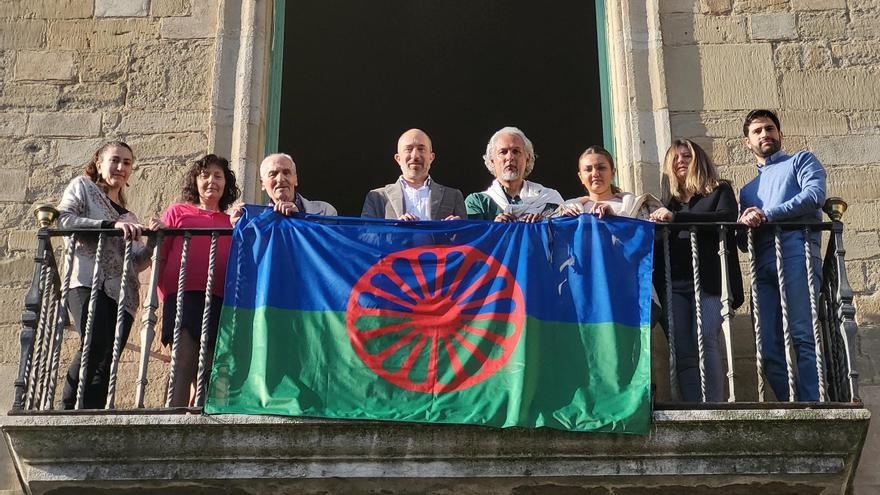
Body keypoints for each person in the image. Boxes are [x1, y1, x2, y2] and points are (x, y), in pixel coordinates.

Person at [737, 109, 827, 402]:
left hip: (795, 250)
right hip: (761, 264)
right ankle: (799, 403)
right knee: (766, 350)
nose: (765, 134)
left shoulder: (801, 161)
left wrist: (767, 214)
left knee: (803, 334)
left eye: (770, 128)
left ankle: (814, 405)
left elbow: (814, 195)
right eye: (757, 131)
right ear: (747, 142)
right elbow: (741, 241)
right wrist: (743, 222)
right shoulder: (748, 189)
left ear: (780, 134)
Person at [57, 141, 154, 409]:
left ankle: (92, 412)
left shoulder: (131, 216)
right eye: (115, 160)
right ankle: (69, 408)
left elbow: (136, 262)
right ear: (99, 163)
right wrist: (110, 225)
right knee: (94, 343)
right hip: (87, 281)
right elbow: (64, 220)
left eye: (127, 163)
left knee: (108, 358)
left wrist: (155, 241)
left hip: (123, 294)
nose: (121, 167)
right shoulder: (83, 188)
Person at [650, 139, 744, 402]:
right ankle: (695, 404)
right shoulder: (667, 204)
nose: (680, 161)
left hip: (710, 281)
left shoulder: (718, 191)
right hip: (674, 283)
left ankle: (712, 405)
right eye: (675, 158)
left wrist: (676, 220)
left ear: (698, 160)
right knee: (682, 348)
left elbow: (725, 218)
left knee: (705, 340)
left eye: (686, 156)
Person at [149, 155, 240, 407]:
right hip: (182, 296)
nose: (211, 181)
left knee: (212, 367)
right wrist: (163, 297)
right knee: (185, 362)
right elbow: (162, 257)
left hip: (220, 299)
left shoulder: (231, 222)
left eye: (218, 176)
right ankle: (172, 423)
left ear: (226, 183)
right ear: (196, 182)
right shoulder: (178, 212)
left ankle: (203, 425)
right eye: (205, 175)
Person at [361, 128, 466, 221]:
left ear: (431, 157)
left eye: (421, 149)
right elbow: (364, 236)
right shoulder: (377, 197)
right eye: (408, 149)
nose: (415, 155)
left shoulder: (453, 196)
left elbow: (469, 239)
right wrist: (395, 232)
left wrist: (459, 229)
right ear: (398, 158)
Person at [465, 126, 563, 222]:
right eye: (503, 152)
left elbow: (563, 234)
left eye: (516, 151)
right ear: (492, 160)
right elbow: (473, 236)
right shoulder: (478, 203)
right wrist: (495, 228)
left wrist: (542, 225)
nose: (510, 157)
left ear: (527, 159)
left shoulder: (549, 199)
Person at [555, 145, 661, 220]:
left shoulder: (636, 206)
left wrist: (614, 218)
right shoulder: (567, 208)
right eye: (588, 169)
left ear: (613, 172)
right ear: (581, 177)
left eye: (601, 168)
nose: (595, 174)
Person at [231, 153, 336, 224]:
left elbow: (329, 248)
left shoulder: (325, 211)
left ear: (296, 180)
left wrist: (299, 219)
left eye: (286, 172)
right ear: (262, 184)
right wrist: (239, 229)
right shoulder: (254, 220)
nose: (280, 179)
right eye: (273, 174)